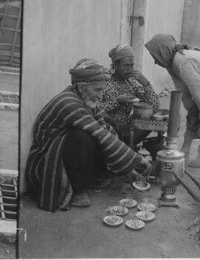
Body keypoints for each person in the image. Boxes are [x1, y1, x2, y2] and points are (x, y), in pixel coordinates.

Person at [25, 59, 152, 212]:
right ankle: (76, 189)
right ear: (82, 87)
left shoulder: (86, 98)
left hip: (64, 148)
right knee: (82, 138)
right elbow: (99, 134)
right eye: (97, 90)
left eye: (101, 90)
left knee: (111, 126)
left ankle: (97, 175)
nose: (100, 95)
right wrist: (138, 159)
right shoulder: (68, 102)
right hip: (47, 157)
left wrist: (128, 169)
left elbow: (105, 130)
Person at [144, 34, 200, 169]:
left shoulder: (181, 62)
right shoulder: (171, 63)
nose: (155, 62)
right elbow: (182, 88)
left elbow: (198, 87)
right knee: (193, 115)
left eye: (155, 56)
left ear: (163, 51)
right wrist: (191, 108)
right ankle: (185, 149)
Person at [100, 44, 159, 143]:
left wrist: (146, 84)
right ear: (115, 65)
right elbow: (94, 110)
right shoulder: (103, 82)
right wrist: (117, 101)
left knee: (152, 121)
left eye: (132, 65)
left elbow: (153, 106)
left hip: (127, 127)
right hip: (107, 129)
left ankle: (129, 147)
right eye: (126, 65)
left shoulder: (132, 83)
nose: (130, 69)